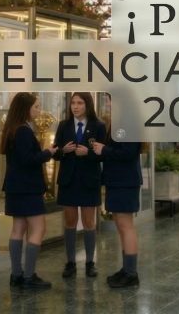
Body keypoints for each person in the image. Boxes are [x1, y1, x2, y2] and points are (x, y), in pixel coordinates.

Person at [0, 92, 55, 289]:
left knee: (18, 229)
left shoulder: (12, 128)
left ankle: (16, 275)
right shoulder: (23, 130)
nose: (39, 111)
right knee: (39, 228)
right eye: (36, 107)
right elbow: (28, 160)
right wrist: (48, 153)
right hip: (28, 187)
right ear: (26, 109)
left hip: (15, 187)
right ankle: (29, 276)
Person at [53, 91, 107, 279]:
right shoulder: (63, 125)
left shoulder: (99, 126)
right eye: (73, 103)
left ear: (87, 105)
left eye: (80, 103)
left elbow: (104, 154)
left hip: (89, 180)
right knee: (69, 222)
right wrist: (63, 151)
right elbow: (55, 152)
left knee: (89, 222)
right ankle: (70, 263)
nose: (75, 106)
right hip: (68, 180)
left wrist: (88, 154)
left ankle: (90, 263)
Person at [90, 98, 141, 288]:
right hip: (117, 180)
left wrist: (104, 150)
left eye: (112, 100)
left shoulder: (129, 121)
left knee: (126, 226)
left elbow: (128, 153)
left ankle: (131, 273)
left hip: (125, 181)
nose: (110, 104)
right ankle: (126, 269)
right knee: (121, 225)